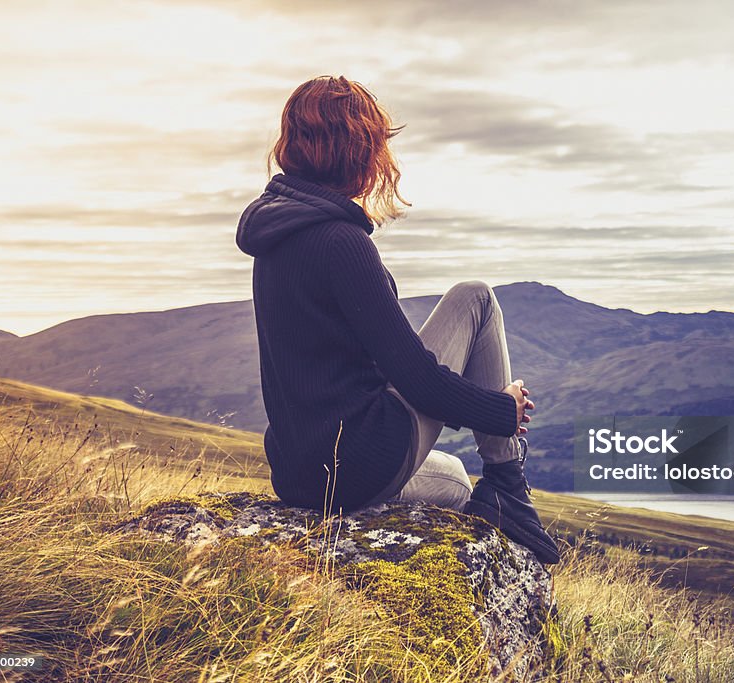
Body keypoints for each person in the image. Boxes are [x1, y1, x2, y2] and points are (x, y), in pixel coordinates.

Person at [235, 75, 560, 564]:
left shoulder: (275, 234)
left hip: (299, 471)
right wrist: (500, 409)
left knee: (449, 474)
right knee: (476, 298)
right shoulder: (342, 243)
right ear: (357, 149)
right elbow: (415, 376)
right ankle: (508, 487)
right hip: (357, 464)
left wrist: (460, 401)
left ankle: (495, 491)